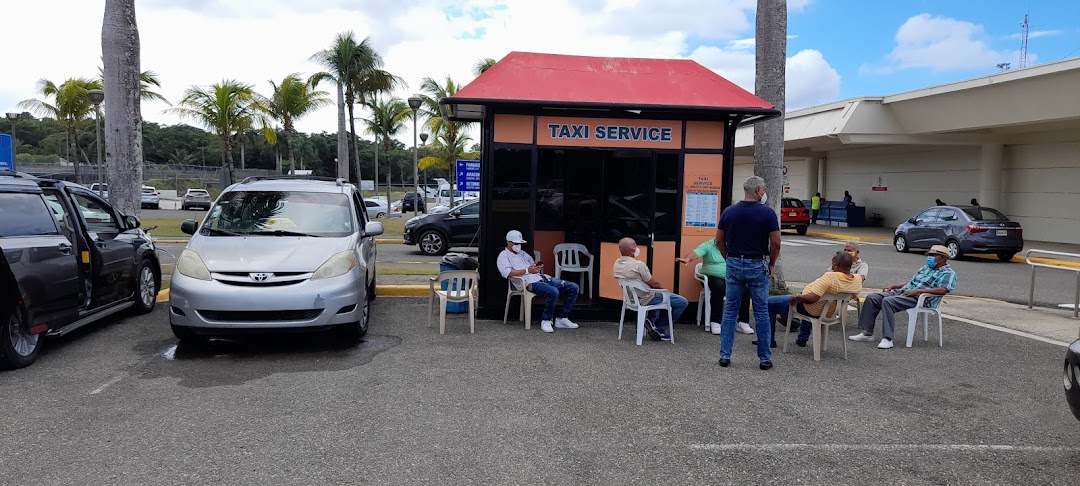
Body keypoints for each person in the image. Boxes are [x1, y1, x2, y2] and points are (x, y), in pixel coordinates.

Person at [716, 176, 781, 370]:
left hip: (735, 261)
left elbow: (719, 240)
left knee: (729, 312)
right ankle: (764, 358)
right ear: (758, 190)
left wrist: (728, 257)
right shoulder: (767, 213)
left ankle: (725, 355)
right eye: (764, 189)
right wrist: (771, 264)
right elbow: (776, 243)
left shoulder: (729, 211)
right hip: (756, 263)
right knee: (761, 312)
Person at [849, 245, 957, 349]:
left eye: (933, 255)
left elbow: (944, 290)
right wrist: (894, 286)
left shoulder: (948, 273)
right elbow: (912, 283)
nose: (930, 258)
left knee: (887, 301)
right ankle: (867, 333)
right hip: (904, 292)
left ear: (943, 258)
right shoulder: (925, 268)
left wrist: (918, 291)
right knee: (872, 298)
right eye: (929, 255)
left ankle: (887, 339)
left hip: (920, 299)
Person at [767, 251, 863, 347]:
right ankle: (802, 339)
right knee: (812, 303)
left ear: (836, 264)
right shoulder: (856, 280)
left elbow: (812, 299)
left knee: (768, 303)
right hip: (830, 312)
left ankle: (769, 340)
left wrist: (797, 297)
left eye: (832, 262)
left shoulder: (830, 277)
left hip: (812, 309)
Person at [496, 230, 579, 333]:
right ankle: (546, 319)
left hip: (541, 278)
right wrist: (527, 270)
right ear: (509, 242)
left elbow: (532, 265)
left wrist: (536, 268)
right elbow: (507, 273)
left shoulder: (522, 254)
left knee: (573, 287)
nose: (519, 246)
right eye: (516, 243)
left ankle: (562, 318)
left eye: (520, 243)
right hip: (528, 282)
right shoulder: (503, 255)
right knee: (553, 291)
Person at [614, 237, 688, 341]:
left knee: (655, 294)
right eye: (635, 245)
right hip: (646, 298)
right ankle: (659, 327)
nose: (637, 247)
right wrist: (665, 291)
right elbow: (654, 284)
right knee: (681, 302)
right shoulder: (638, 265)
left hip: (630, 299)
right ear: (632, 250)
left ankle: (650, 321)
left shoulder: (617, 264)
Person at [675, 240, 754, 335]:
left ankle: (742, 322)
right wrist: (687, 259)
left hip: (730, 277)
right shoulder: (708, 245)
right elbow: (695, 253)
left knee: (745, 289)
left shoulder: (734, 245)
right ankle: (715, 322)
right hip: (711, 276)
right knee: (719, 287)